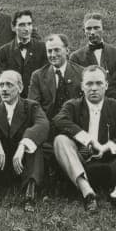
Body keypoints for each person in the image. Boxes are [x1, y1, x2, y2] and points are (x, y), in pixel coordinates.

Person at [52, 65, 116, 214]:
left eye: (99, 83)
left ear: (106, 85)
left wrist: (107, 147)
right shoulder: (72, 105)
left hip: (112, 166)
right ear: (82, 86)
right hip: (82, 166)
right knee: (60, 140)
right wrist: (88, 140)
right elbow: (59, 120)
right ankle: (88, 194)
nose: (94, 88)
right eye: (89, 84)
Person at [0, 69, 50, 207]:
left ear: (20, 88)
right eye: (1, 85)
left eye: (9, 85)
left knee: (34, 144)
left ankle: (30, 194)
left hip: (22, 167)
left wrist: (24, 145)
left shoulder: (31, 106)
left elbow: (43, 125)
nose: (4, 89)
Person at [28, 33, 85, 189]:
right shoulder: (38, 76)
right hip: (49, 129)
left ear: (67, 50)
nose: (52, 55)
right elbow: (34, 107)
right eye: (49, 51)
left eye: (56, 50)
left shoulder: (82, 73)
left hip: (75, 128)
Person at [0, 10, 47, 98]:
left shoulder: (42, 48)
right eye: (22, 25)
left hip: (38, 98)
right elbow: (2, 81)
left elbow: (46, 78)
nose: (27, 29)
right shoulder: (4, 51)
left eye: (29, 24)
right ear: (13, 27)